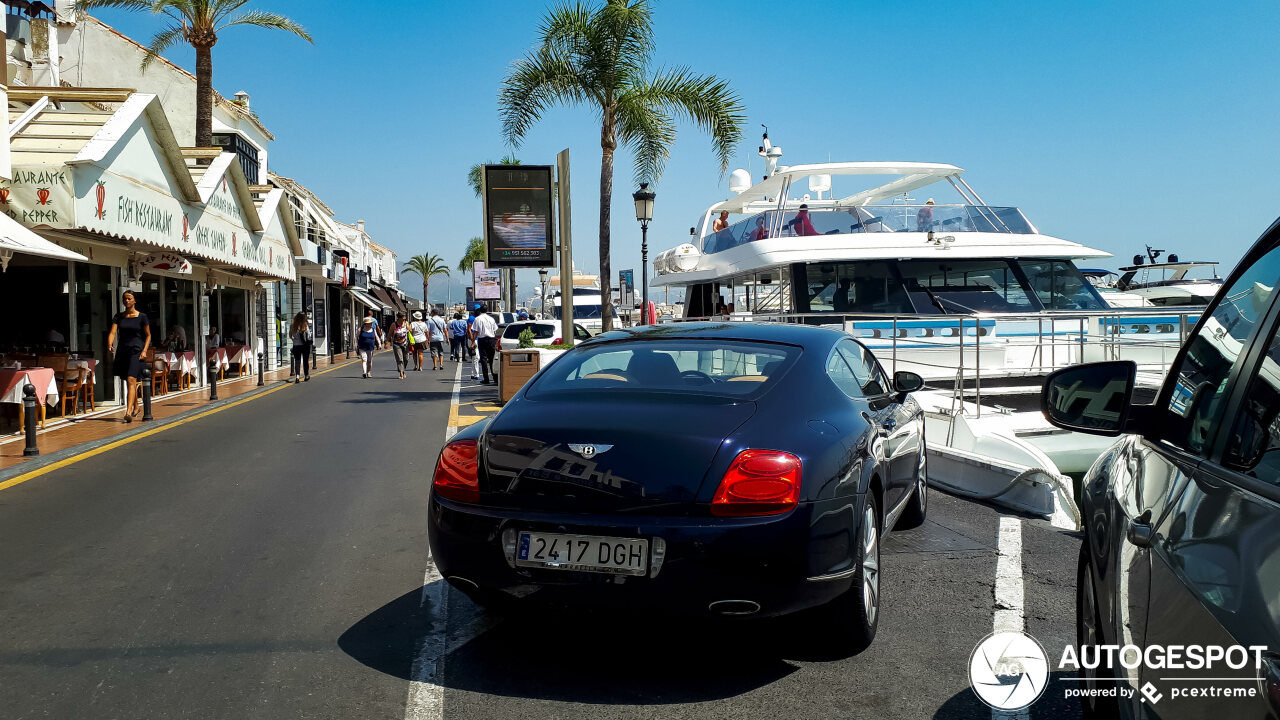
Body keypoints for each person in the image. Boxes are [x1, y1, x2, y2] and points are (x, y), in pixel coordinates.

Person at [107, 290, 151, 423]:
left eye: (129, 299)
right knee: (127, 380)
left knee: (132, 379)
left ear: (134, 300)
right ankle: (136, 407)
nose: (126, 301)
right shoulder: (119, 317)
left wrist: (144, 350)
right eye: (125, 299)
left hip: (136, 351)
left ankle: (128, 412)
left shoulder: (142, 317)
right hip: (123, 351)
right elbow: (113, 332)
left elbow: (148, 335)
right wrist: (109, 343)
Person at [473, 307, 499, 384]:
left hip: (482, 340)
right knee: (492, 359)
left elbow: (476, 331)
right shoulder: (491, 319)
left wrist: (473, 341)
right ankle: (495, 378)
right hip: (491, 339)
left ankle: (486, 378)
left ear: (480, 311)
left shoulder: (478, 319)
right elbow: (494, 331)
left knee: (483, 359)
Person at [290, 311, 312, 383]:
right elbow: (308, 335)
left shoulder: (293, 325)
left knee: (297, 361)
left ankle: (297, 376)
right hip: (305, 346)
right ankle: (306, 375)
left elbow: (290, 335)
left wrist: (294, 340)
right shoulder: (305, 325)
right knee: (305, 361)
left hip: (296, 345)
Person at [356, 314, 382, 378]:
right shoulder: (360, 329)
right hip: (362, 346)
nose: (371, 324)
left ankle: (368, 372)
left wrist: (379, 344)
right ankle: (364, 372)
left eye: (371, 323)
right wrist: (356, 345)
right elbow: (356, 337)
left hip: (370, 347)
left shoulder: (373, 330)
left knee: (369, 360)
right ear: (365, 324)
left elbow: (376, 337)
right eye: (369, 323)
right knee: (364, 359)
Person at [389, 313, 411, 380]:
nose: (404, 318)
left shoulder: (406, 323)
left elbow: (411, 331)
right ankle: (401, 373)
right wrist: (387, 341)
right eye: (403, 317)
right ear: (399, 318)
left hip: (405, 344)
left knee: (406, 358)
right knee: (399, 359)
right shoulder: (394, 324)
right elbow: (390, 333)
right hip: (396, 344)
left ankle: (403, 370)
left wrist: (408, 328)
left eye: (404, 317)